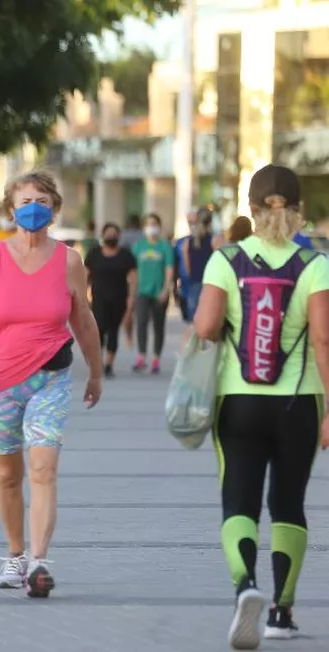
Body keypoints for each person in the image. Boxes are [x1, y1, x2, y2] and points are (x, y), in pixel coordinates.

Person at [0, 170, 102, 598]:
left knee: (43, 469)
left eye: (42, 201)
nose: (33, 208)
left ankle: (40, 562)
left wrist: (96, 371)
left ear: (54, 209)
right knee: (8, 474)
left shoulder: (69, 261)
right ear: (11, 208)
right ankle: (15, 554)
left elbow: (83, 319)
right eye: (25, 200)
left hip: (51, 378)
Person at [193, 164, 329, 648]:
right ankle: (281, 612)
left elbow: (206, 327)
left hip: (238, 400)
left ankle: (245, 587)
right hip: (299, 402)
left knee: (239, 500)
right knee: (289, 502)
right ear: (297, 211)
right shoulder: (314, 265)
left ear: (250, 210)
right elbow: (323, 337)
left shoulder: (225, 260)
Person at [84, 223, 136, 378]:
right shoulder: (94, 254)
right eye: (108, 234)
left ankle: (109, 364)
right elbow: (84, 276)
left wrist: (131, 299)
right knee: (98, 330)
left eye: (114, 234)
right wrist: (83, 296)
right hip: (98, 299)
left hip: (119, 299)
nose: (111, 237)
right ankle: (97, 362)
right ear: (103, 235)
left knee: (113, 331)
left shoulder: (126, 255)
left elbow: (133, 279)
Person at [131, 213, 173, 373]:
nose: (151, 227)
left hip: (159, 292)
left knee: (158, 325)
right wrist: (132, 291)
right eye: (148, 224)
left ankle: (156, 358)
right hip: (142, 291)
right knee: (141, 323)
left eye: (154, 224)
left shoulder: (165, 246)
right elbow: (133, 271)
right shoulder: (138, 247)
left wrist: (166, 289)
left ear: (159, 227)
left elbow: (169, 269)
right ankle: (141, 356)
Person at [180, 207, 215, 318]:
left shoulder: (188, 241)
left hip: (194, 281)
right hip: (210, 282)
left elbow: (187, 266)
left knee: (194, 318)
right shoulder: (214, 240)